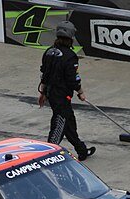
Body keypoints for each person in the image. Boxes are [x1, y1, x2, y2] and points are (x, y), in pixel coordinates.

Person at [38, 20, 96, 161]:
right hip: (61, 96)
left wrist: (43, 93)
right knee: (59, 123)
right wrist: (80, 91)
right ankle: (48, 155)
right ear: (70, 38)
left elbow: (44, 74)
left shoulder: (49, 52)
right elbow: (73, 79)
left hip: (51, 94)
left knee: (69, 122)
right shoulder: (70, 56)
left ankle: (82, 151)